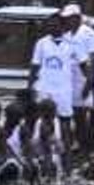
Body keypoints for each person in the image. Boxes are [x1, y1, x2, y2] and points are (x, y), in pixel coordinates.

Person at [27, 14, 80, 152]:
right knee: (41, 120)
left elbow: (84, 64)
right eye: (49, 25)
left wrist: (88, 85)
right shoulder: (41, 43)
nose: (51, 27)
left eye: (54, 25)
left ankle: (65, 154)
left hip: (63, 90)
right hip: (44, 88)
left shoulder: (73, 44)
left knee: (64, 122)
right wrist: (30, 87)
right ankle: (41, 152)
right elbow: (34, 66)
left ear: (62, 26)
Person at [60, 4, 94, 152]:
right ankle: (74, 146)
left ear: (76, 18)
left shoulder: (88, 33)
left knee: (81, 117)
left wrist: (89, 83)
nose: (66, 21)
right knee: (69, 116)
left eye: (69, 18)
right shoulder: (66, 35)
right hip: (69, 81)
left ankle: (87, 148)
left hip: (83, 80)